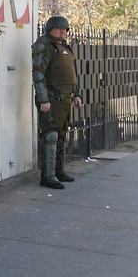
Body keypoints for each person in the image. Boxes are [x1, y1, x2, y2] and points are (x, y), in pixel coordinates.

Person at [31, 15, 82, 190]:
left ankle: (59, 171)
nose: (63, 32)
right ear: (50, 29)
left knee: (61, 136)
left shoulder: (65, 47)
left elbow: (72, 74)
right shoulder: (44, 46)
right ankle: (48, 176)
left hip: (66, 101)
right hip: (52, 101)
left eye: (65, 29)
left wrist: (76, 95)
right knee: (50, 136)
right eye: (59, 28)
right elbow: (38, 74)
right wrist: (43, 100)